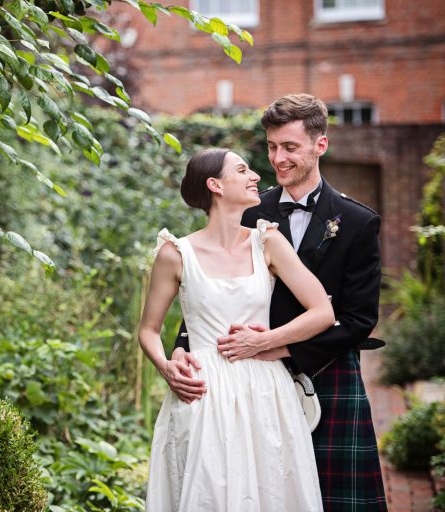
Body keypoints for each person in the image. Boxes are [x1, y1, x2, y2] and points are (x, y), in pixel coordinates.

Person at [172, 93, 388, 510]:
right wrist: (183, 348)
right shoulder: (250, 209)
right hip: (247, 382)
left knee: (334, 501)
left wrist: (275, 346)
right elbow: (208, 288)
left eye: (290, 147)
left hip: (328, 374)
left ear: (319, 145)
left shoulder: (358, 222)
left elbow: (359, 318)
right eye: (272, 147)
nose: (278, 158)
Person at [140, 147, 334, 510]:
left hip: (266, 391)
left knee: (272, 492)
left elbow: (322, 311)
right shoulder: (175, 254)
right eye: (243, 170)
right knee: (207, 494)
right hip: (202, 392)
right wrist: (166, 367)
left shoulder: (267, 242)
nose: (256, 177)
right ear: (215, 184)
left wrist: (264, 342)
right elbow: (148, 330)